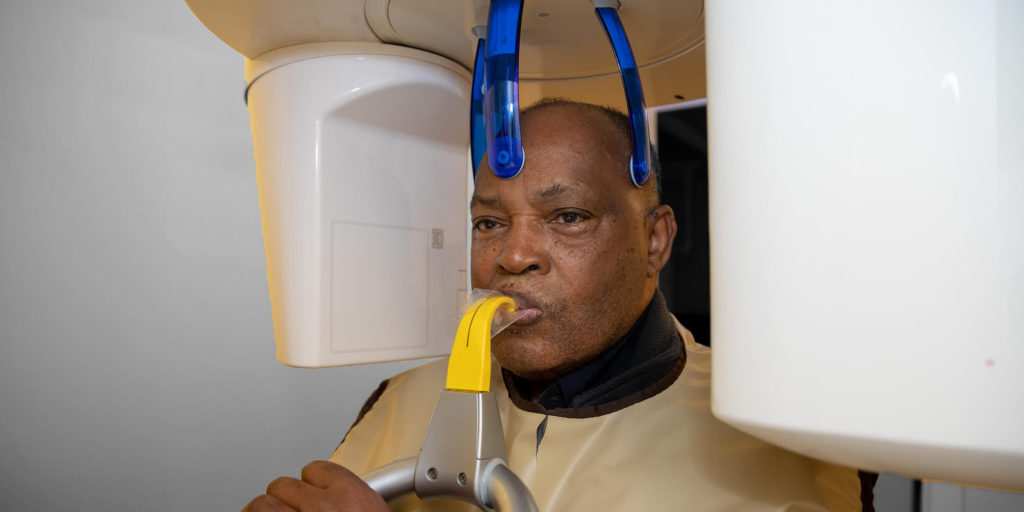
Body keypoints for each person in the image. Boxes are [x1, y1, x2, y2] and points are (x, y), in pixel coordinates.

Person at [243, 100, 874, 511]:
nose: (512, 257)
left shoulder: (787, 447)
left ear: (655, 239)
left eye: (567, 217)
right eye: (488, 223)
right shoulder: (402, 401)